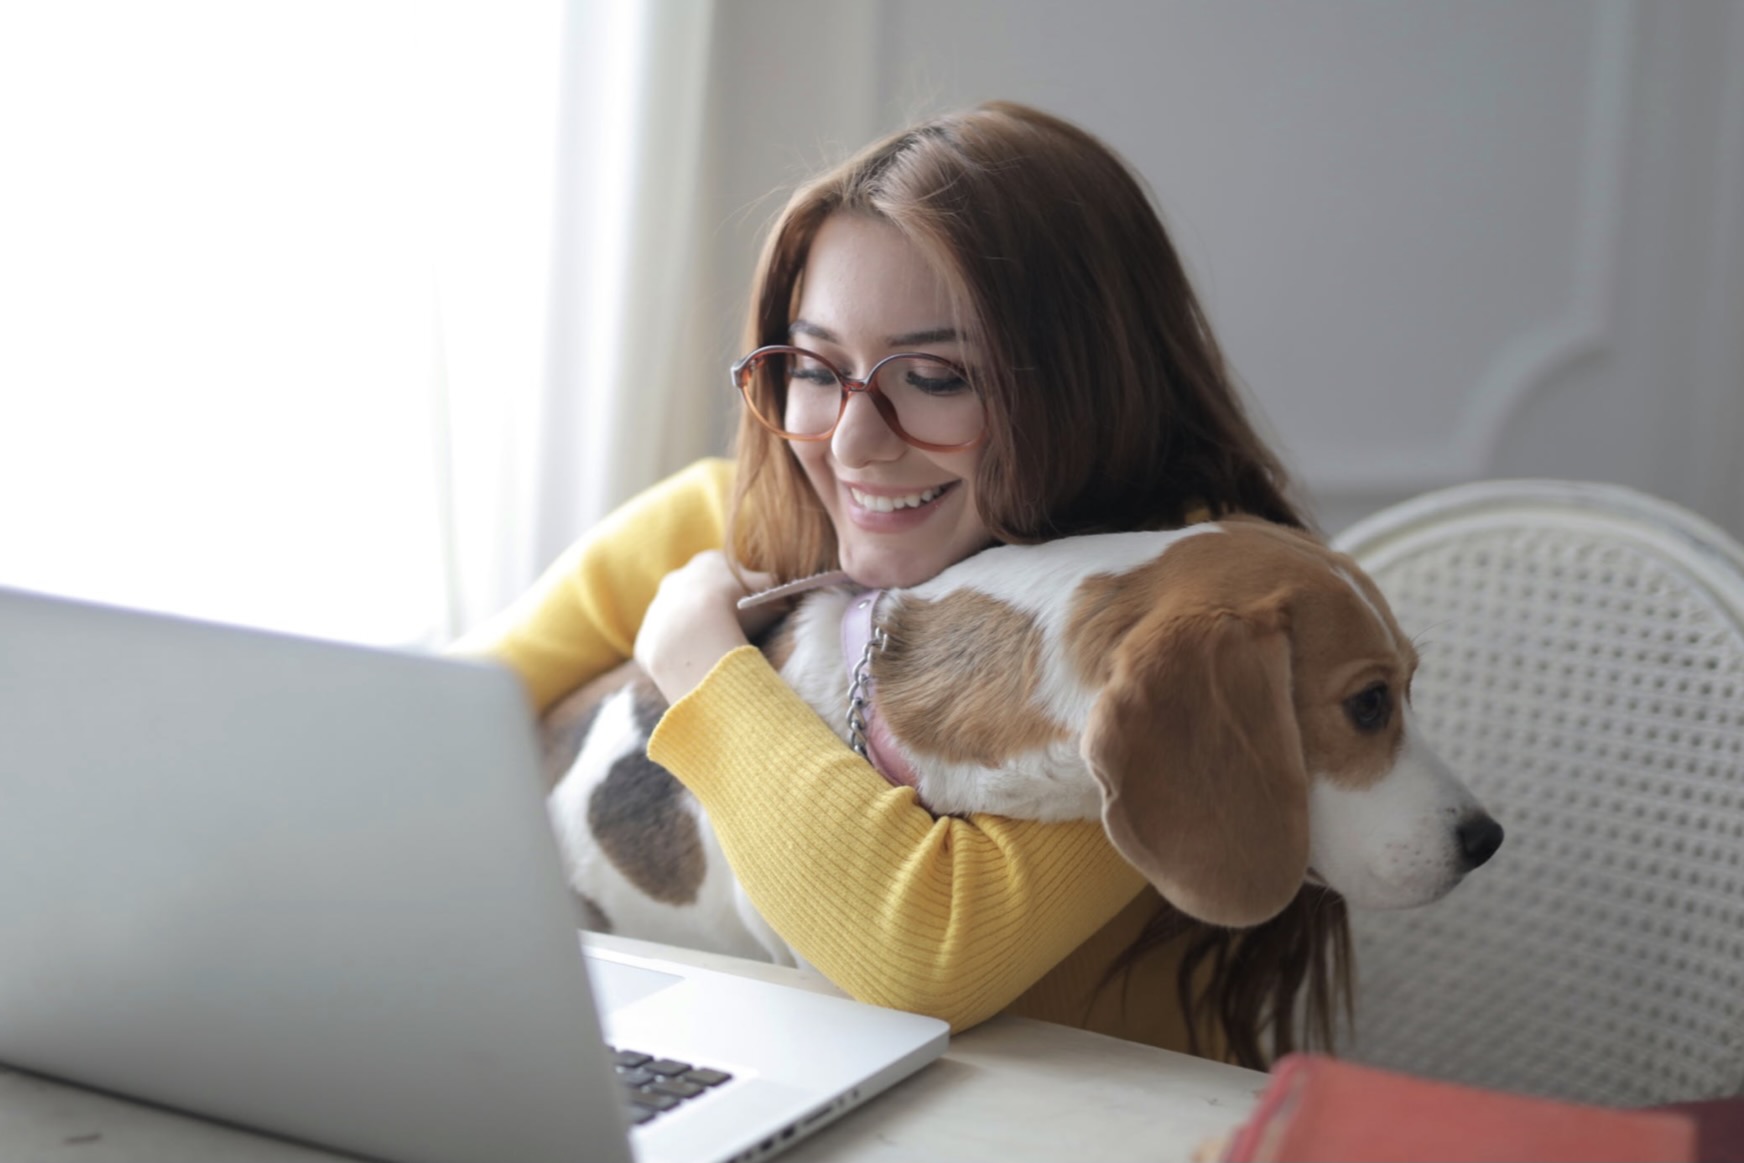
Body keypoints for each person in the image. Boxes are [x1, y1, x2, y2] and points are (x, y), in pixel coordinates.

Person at [456, 100, 1347, 1068]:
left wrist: (703, 668)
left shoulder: (1164, 630)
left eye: (933, 376)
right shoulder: (713, 524)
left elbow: (925, 958)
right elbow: (412, 732)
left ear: (1089, 389)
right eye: (815, 366)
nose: (851, 442)